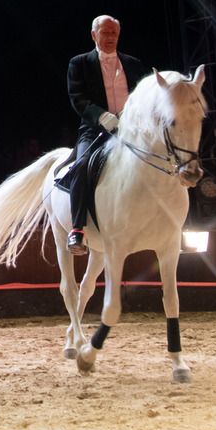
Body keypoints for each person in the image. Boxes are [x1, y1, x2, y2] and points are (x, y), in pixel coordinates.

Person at [64, 15, 146, 255]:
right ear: (94, 35)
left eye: (114, 33)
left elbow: (142, 95)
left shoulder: (133, 64)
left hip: (130, 130)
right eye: (105, 33)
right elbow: (77, 98)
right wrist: (101, 116)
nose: (110, 37)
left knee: (162, 158)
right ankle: (77, 229)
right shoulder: (79, 63)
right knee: (80, 166)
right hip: (95, 130)